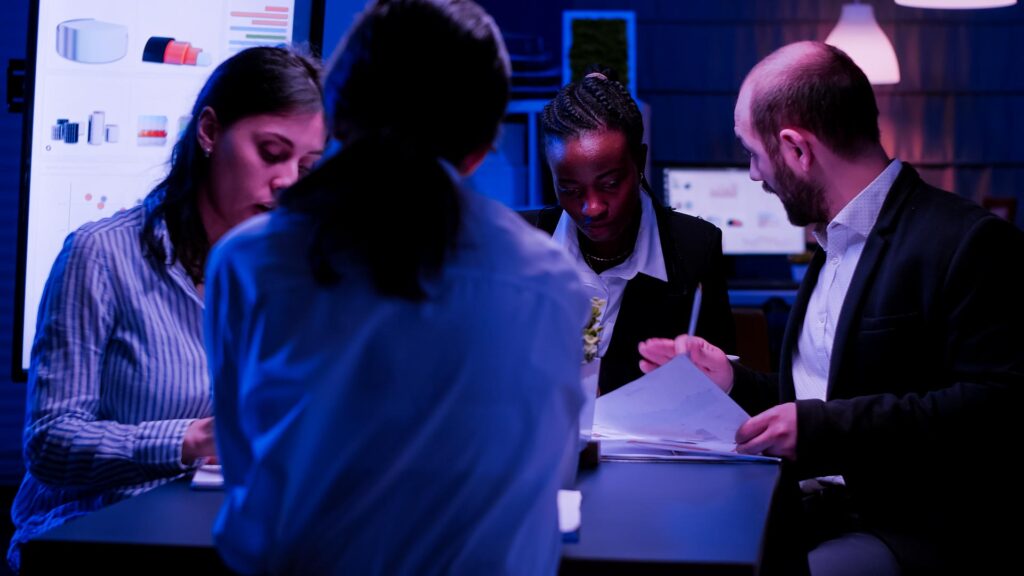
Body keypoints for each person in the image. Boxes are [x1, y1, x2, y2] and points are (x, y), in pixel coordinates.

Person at [205, 1, 588, 574]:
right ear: (483, 145)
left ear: (335, 109)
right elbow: (543, 479)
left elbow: (245, 470)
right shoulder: (550, 281)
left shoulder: (245, 261)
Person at [639, 40, 1024, 575]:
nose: (753, 174)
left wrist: (823, 431)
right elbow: (825, 396)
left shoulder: (968, 241)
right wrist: (731, 380)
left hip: (914, 528)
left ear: (797, 149)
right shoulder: (831, 244)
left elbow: (998, 408)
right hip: (814, 508)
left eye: (754, 153)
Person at [8, 46, 325, 571]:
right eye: (271, 152)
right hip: (93, 535)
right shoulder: (102, 254)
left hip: (212, 529)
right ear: (208, 132)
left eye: (307, 166)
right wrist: (190, 440)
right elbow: (50, 443)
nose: (289, 180)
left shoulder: (288, 272)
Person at [528, 70, 735, 394]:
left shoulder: (693, 248)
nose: (592, 207)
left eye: (609, 184)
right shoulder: (521, 244)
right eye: (569, 188)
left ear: (639, 162)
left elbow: (722, 379)